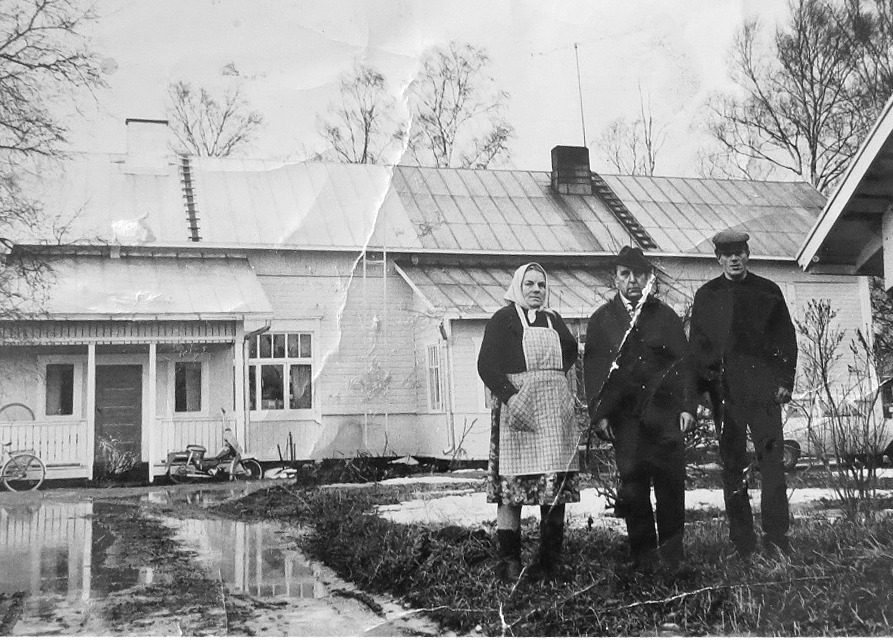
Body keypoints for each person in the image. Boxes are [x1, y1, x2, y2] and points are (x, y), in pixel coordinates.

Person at [584, 246, 696, 569]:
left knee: (670, 489)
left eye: (639, 275)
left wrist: (688, 406)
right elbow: (591, 372)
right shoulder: (602, 320)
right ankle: (643, 558)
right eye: (625, 274)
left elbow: (685, 365)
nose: (632, 281)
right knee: (634, 490)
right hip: (626, 422)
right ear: (615, 278)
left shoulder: (665, 316)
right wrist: (600, 414)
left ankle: (673, 557)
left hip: (666, 419)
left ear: (649, 278)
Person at [690, 231, 797, 557]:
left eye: (740, 252)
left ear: (748, 254)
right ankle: (743, 543)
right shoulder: (707, 296)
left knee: (773, 467)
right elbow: (699, 348)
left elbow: (787, 341)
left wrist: (784, 383)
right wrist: (705, 393)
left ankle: (777, 540)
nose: (734, 259)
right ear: (718, 258)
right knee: (733, 469)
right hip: (727, 395)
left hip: (764, 394)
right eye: (727, 253)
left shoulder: (768, 291)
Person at [477, 262, 580, 582]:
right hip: (517, 412)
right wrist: (512, 394)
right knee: (512, 487)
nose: (536, 290)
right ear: (517, 287)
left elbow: (572, 352)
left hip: (552, 415)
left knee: (554, 486)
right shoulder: (503, 319)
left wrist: (552, 386)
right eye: (530, 284)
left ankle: (549, 561)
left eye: (541, 285)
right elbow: (486, 365)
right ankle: (509, 562)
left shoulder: (554, 320)